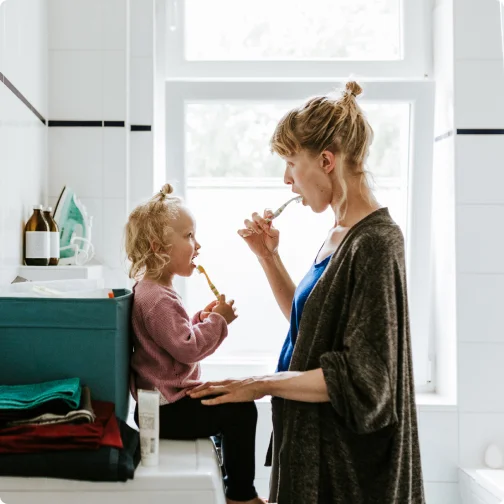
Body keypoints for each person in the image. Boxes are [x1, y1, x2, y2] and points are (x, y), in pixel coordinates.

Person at [189, 81, 425, 504]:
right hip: (311, 448)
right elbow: (311, 330)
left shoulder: (376, 242)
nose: (287, 180)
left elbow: (367, 381)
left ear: (327, 161)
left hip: (351, 472)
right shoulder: (338, 235)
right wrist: (268, 257)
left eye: (291, 163)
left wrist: (260, 383)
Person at [125, 184, 265, 504]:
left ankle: (232, 481)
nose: (197, 244)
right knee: (241, 411)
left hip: (165, 406)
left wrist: (200, 317)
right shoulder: (157, 298)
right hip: (169, 410)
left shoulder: (153, 290)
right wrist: (219, 322)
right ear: (158, 247)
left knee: (232, 402)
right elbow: (187, 348)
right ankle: (241, 495)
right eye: (189, 236)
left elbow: (171, 336)